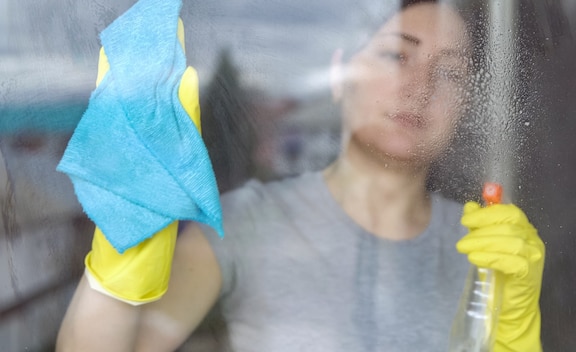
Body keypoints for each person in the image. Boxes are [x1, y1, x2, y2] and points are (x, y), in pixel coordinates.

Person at [56, 0, 545, 351]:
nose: (420, 86)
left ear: (466, 106)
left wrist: (520, 333)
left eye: (451, 73)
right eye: (397, 55)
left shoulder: (492, 249)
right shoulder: (249, 221)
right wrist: (118, 268)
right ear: (339, 75)